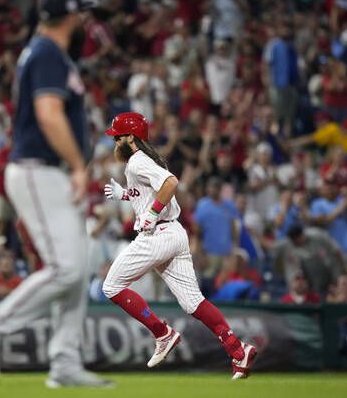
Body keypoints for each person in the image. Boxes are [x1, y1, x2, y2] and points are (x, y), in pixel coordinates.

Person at [0, 0, 112, 388]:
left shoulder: (49, 53)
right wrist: (79, 165)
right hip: (36, 168)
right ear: (68, 17)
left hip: (49, 171)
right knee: (66, 269)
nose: (85, 21)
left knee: (78, 270)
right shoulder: (47, 53)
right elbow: (48, 114)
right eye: (80, 14)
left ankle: (64, 360)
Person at [101, 111, 257, 379]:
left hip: (158, 236)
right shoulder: (146, 159)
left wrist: (150, 214)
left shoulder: (137, 161)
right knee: (193, 302)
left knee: (111, 286)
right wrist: (124, 195)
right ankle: (237, 350)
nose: (115, 143)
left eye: (118, 138)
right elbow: (150, 191)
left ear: (131, 137)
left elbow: (171, 183)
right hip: (174, 233)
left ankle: (162, 333)